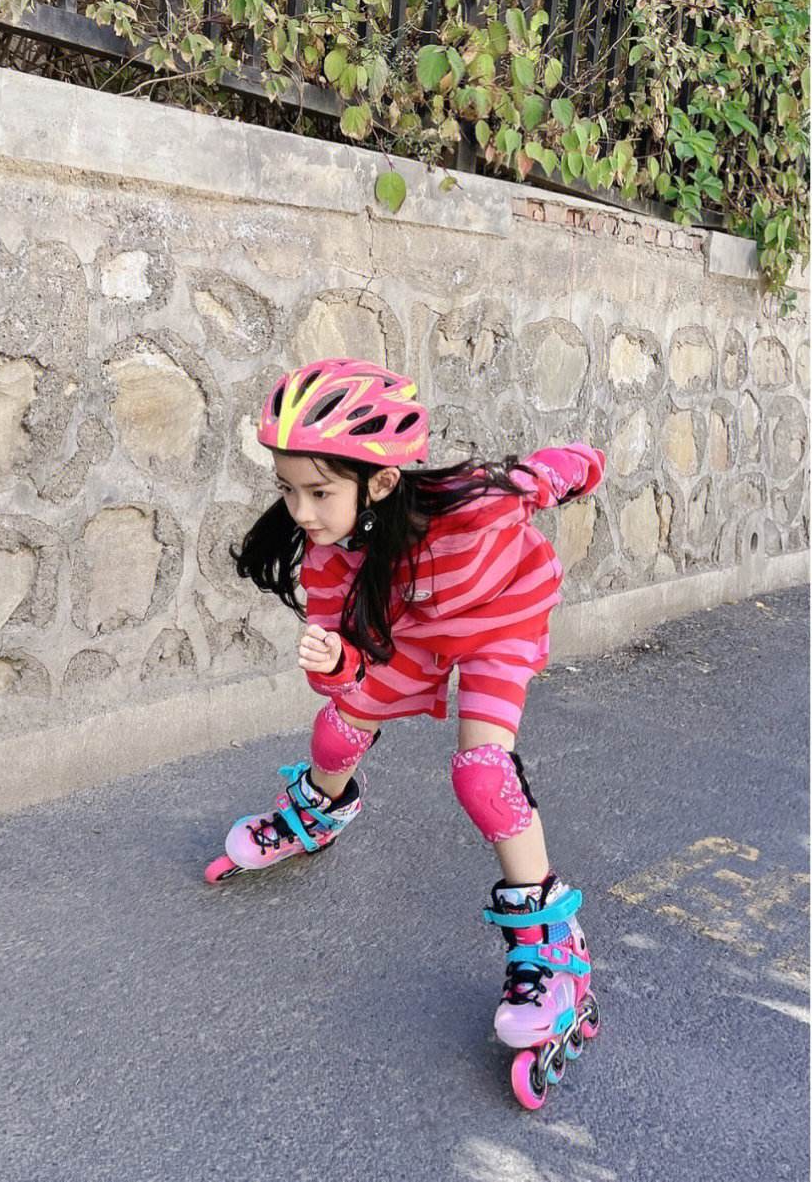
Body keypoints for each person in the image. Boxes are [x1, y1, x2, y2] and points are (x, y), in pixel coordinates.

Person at [208, 356, 605, 1109]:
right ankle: (322, 810)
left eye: (319, 491)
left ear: (381, 480)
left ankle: (555, 948)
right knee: (335, 730)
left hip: (498, 622)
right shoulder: (330, 559)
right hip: (410, 636)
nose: (300, 510)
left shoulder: (476, 504)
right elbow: (351, 663)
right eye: (288, 488)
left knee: (482, 773)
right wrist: (334, 662)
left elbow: (550, 474)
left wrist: (586, 467)